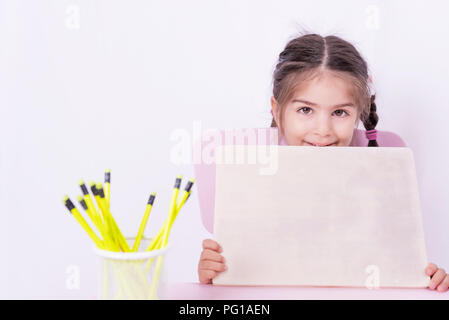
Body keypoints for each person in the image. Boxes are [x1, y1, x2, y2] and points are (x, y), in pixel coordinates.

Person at [197, 33, 448, 292]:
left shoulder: (385, 179)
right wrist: (213, 271)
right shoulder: (248, 179)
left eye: (339, 112)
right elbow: (239, 270)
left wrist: (427, 279)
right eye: (305, 110)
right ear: (277, 109)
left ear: (358, 113)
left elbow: (396, 268)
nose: (323, 130)